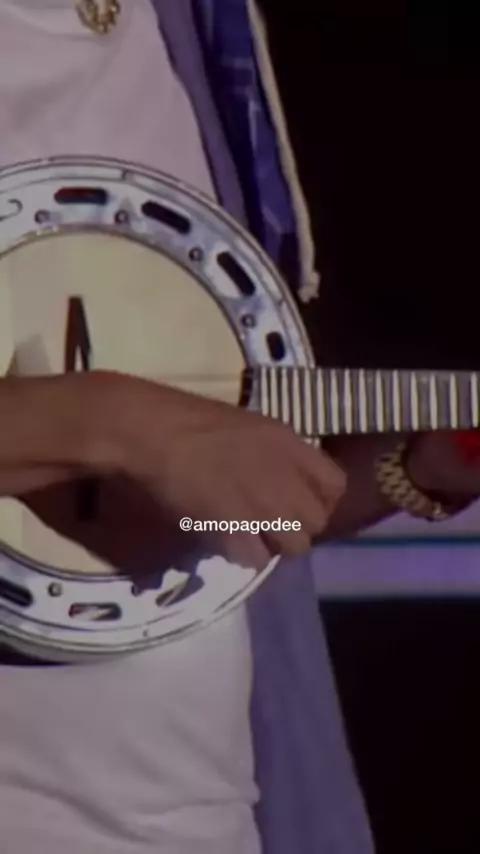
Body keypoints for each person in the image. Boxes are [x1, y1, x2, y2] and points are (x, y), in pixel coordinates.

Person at [0, 2, 478, 852]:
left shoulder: (184, 36)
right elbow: (152, 446)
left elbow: (174, 516)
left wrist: (417, 468)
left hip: (207, 817)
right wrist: (127, 427)